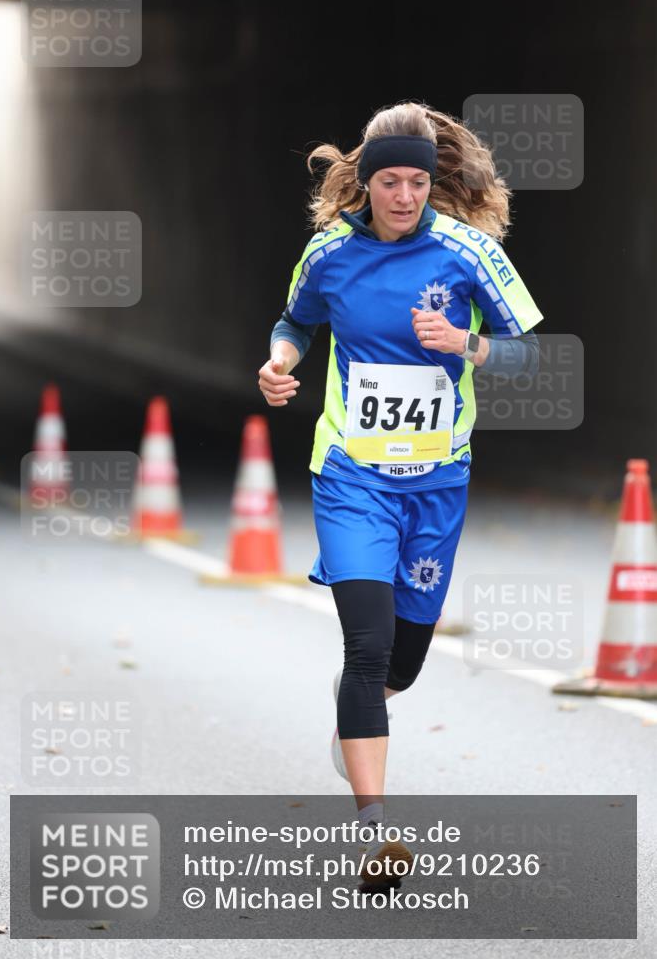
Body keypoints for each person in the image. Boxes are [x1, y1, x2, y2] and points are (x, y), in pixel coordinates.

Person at [258, 101, 543, 883]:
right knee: (367, 645)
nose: (406, 195)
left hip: (436, 482)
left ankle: (361, 722)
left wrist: (466, 344)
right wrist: (279, 362)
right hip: (352, 475)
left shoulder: (468, 252)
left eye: (418, 181)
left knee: (403, 665)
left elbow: (533, 356)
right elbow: (295, 321)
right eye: (391, 181)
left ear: (431, 183)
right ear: (366, 183)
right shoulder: (327, 255)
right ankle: (376, 831)